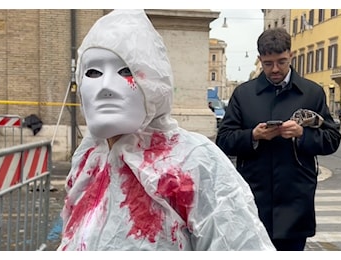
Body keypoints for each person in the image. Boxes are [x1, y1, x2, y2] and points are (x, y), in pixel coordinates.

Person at [57, 9, 275, 251]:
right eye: (93, 72)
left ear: (154, 81)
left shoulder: (195, 161)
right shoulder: (88, 160)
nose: (105, 87)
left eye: (126, 71)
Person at [216, 27, 341, 251]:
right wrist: (253, 135)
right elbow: (224, 140)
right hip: (253, 198)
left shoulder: (312, 93)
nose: (275, 69)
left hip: (295, 199)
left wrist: (302, 134)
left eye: (282, 62)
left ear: (291, 56)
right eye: (268, 63)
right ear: (259, 60)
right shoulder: (243, 94)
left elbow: (332, 139)